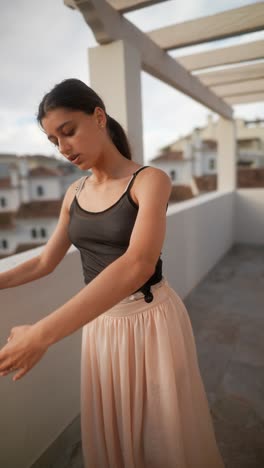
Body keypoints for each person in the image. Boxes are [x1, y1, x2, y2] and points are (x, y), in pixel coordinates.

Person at [0, 78, 225, 468]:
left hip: (150, 320)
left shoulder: (150, 180)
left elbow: (137, 264)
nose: (63, 147)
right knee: (114, 430)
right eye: (54, 141)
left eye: (68, 131)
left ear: (99, 117)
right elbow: (43, 261)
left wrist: (41, 334)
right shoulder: (74, 193)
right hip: (100, 325)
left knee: (162, 433)